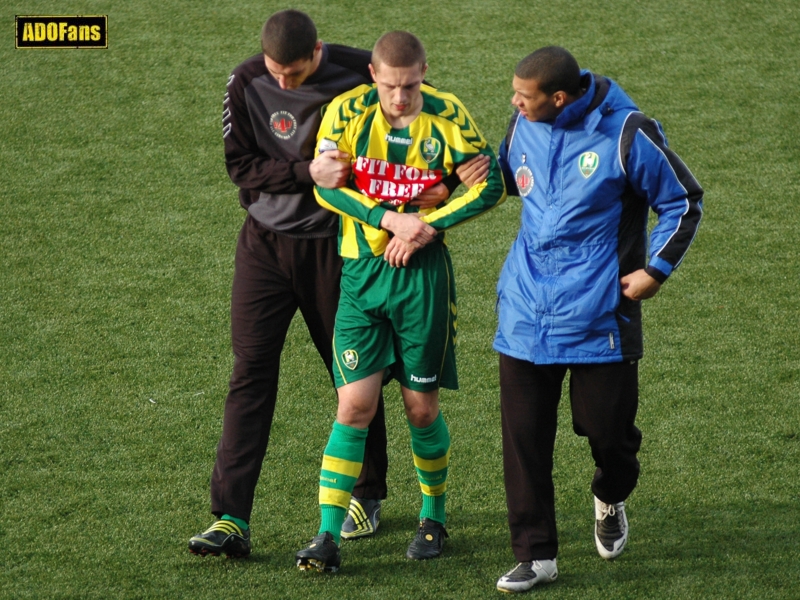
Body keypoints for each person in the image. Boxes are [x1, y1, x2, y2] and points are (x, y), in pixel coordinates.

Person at [188, 10, 487, 559]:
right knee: (250, 370)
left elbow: (426, 131)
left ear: (317, 53)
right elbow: (241, 166)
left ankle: (367, 496)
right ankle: (231, 517)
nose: (283, 83)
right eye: (276, 72)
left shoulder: (359, 72)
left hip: (339, 247)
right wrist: (306, 175)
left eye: (295, 73)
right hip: (265, 245)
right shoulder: (246, 80)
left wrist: (442, 186)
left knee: (354, 378)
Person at [293, 30, 506, 573]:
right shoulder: (344, 112)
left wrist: (425, 227)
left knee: (421, 407)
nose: (401, 98)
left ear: (423, 74)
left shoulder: (449, 115)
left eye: (410, 85)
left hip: (423, 281)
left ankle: (432, 518)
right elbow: (325, 186)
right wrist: (392, 220)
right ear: (373, 76)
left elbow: (491, 186)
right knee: (354, 405)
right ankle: (325, 536)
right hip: (361, 276)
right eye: (391, 86)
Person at [492, 47, 703, 593]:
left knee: (609, 434)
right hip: (525, 310)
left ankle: (610, 494)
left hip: (599, 317)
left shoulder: (628, 133)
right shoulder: (523, 123)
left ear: (558, 97)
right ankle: (535, 555)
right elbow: (507, 177)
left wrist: (655, 269)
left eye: (524, 95)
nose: (513, 103)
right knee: (523, 440)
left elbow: (682, 200)